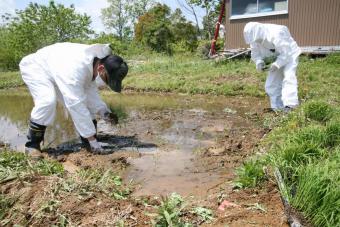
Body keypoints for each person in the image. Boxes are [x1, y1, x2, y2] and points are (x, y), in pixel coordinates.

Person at [19, 42, 128, 158]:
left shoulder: (92, 65)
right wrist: (95, 144)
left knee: (84, 102)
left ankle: (87, 141)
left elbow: (91, 95)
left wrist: (105, 112)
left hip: (57, 69)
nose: (106, 83)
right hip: (37, 69)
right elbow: (76, 105)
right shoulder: (75, 70)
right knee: (47, 101)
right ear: (101, 68)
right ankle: (32, 146)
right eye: (107, 78)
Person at [243, 22, 301, 112]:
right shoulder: (254, 39)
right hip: (276, 56)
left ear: (260, 32)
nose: (256, 42)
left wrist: (277, 64)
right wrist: (259, 62)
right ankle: (277, 107)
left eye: (258, 39)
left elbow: (286, 53)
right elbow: (255, 53)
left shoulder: (277, 33)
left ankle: (291, 106)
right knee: (271, 83)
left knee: (288, 77)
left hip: (290, 54)